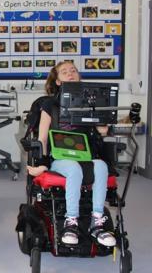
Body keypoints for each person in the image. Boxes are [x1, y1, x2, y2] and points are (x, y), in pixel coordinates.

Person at [26, 61, 116, 247]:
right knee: (74, 169)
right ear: (58, 81)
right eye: (64, 72)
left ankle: (96, 222)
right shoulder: (49, 105)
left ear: (79, 76)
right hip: (61, 158)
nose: (70, 73)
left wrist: (100, 118)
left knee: (101, 166)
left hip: (86, 156)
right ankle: (71, 222)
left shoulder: (93, 103)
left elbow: (103, 132)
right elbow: (42, 138)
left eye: (73, 70)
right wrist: (42, 163)